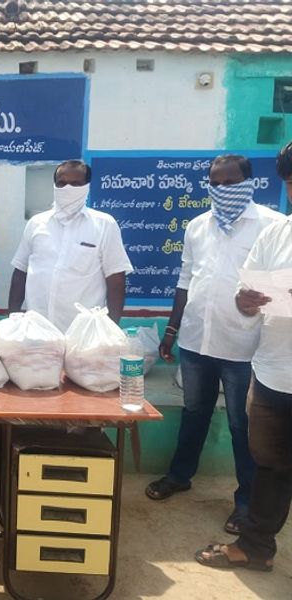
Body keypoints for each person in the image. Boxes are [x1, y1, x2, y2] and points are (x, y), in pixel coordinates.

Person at [146, 154, 284, 535]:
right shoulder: (197, 226)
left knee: (243, 426)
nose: (222, 189)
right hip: (195, 341)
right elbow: (186, 279)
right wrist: (171, 330)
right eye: (215, 182)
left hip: (245, 347)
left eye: (230, 182)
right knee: (194, 413)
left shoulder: (271, 226)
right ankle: (179, 475)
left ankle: (246, 503)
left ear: (249, 183)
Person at [195, 141, 292, 571]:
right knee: (269, 467)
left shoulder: (264, 223)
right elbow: (245, 295)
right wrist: (247, 301)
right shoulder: (278, 235)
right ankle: (255, 547)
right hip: (275, 374)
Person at [8, 159, 132, 332]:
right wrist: (12, 321)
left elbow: (116, 279)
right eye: (62, 183)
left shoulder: (104, 225)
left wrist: (111, 330)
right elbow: (20, 272)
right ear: (54, 186)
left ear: (87, 186)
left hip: (83, 334)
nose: (67, 189)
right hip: (38, 332)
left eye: (76, 184)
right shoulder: (36, 224)